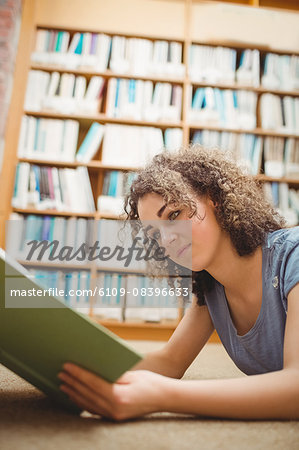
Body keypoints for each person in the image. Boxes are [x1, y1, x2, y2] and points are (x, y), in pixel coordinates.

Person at [58, 145, 299, 421]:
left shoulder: (293, 254)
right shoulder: (212, 289)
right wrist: (77, 369)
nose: (167, 240)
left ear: (214, 199)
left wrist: (161, 396)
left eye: (173, 215)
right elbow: (170, 362)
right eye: (154, 235)